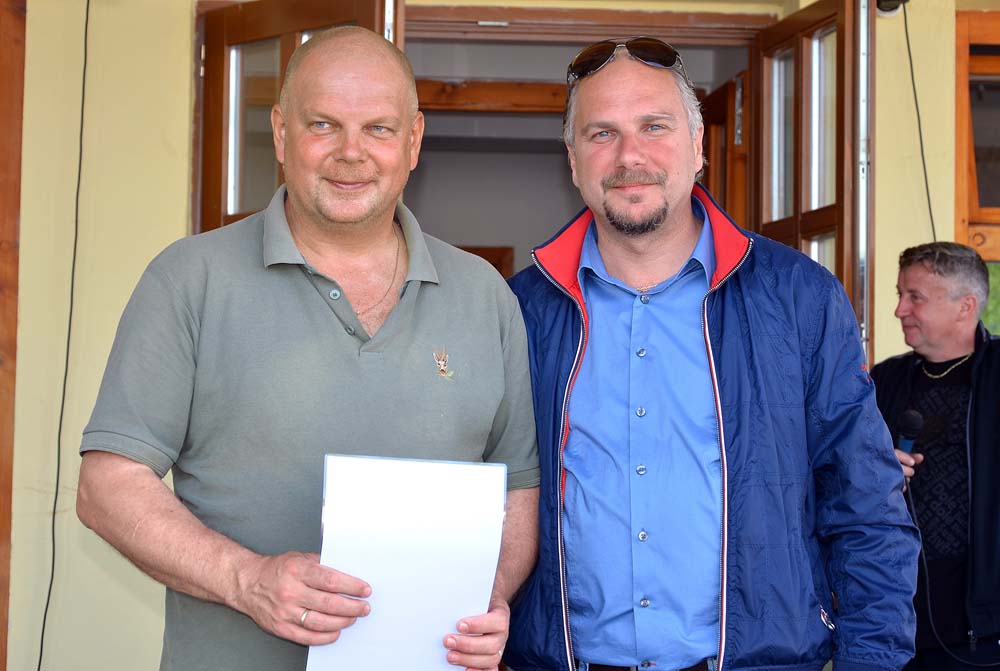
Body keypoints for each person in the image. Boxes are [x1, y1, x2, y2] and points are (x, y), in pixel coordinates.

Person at [76, 26, 539, 671]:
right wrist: (247, 580)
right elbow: (107, 485)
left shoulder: (485, 294)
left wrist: (489, 601)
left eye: (378, 129)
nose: (351, 153)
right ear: (280, 133)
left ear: (413, 141)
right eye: (323, 124)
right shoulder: (189, 279)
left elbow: (517, 490)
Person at [503, 37, 920, 671]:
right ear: (573, 159)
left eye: (654, 126)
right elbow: (481, 502)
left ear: (698, 146)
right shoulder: (519, 310)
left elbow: (866, 505)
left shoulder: (799, 298)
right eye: (601, 134)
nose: (630, 155)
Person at [871, 242, 1000, 671]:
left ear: (966, 306)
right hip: (894, 617)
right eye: (900, 294)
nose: (900, 310)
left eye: (916, 297)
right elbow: (836, 477)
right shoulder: (883, 381)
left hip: (985, 627)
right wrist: (874, 472)